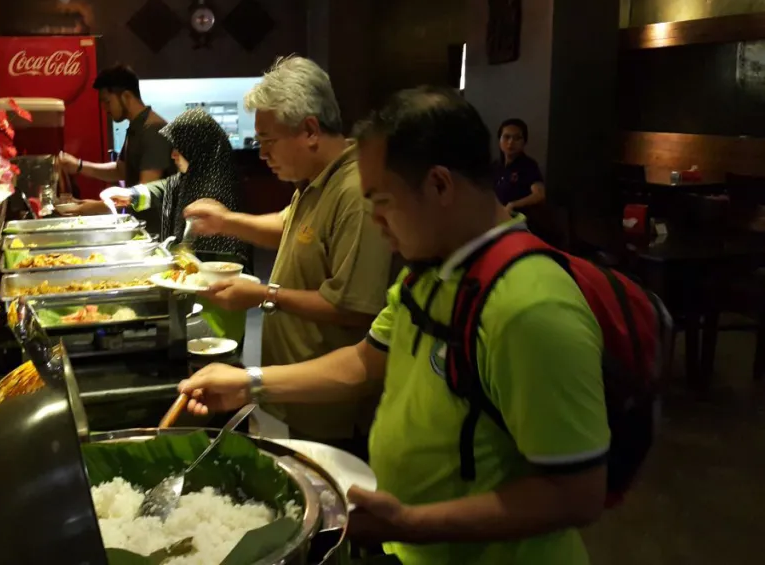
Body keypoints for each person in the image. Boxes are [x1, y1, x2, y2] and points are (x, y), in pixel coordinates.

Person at [179, 87, 609, 564]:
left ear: (440, 185)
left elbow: (576, 494)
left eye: (381, 200)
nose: (375, 221)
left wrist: (413, 524)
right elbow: (365, 362)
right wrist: (249, 384)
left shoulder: (531, 306)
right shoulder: (428, 271)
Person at [182, 56, 395, 458]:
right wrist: (225, 221)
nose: (262, 154)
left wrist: (264, 295)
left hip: (337, 406)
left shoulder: (354, 191)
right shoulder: (315, 180)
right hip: (305, 395)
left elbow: (354, 308)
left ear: (310, 130)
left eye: (268, 141)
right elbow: (289, 228)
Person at [101, 108, 251, 264]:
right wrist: (131, 194)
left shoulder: (216, 190)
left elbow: (213, 261)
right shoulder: (195, 175)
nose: (173, 154)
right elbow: (166, 186)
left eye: (179, 147)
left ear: (198, 148)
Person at [57, 64, 175, 228]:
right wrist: (78, 166)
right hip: (143, 225)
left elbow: (145, 192)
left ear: (126, 96)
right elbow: (120, 170)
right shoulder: (136, 127)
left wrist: (92, 207)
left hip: (160, 230)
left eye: (107, 101)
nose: (104, 108)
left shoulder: (153, 130)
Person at [495, 118, 545, 212]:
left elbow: (540, 194)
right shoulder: (496, 165)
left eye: (517, 138)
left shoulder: (528, 165)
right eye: (506, 137)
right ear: (499, 140)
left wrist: (513, 205)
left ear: (524, 142)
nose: (511, 142)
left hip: (518, 219)